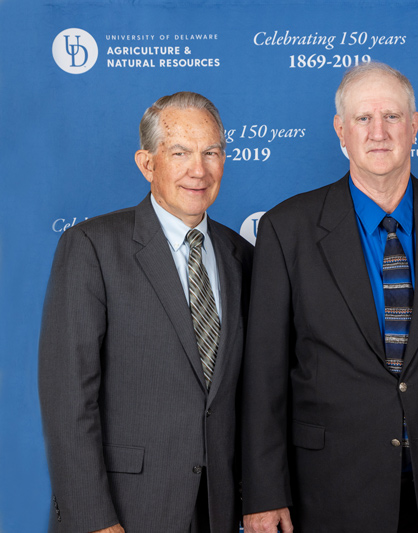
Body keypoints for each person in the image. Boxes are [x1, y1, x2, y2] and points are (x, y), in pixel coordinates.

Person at [241, 62, 418, 533]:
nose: (378, 133)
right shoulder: (287, 229)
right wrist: (264, 492)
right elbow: (264, 376)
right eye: (363, 119)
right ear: (341, 130)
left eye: (392, 117)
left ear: (415, 125)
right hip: (326, 492)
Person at [39, 92, 253, 533]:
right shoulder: (92, 248)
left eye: (211, 152)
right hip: (124, 512)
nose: (200, 169)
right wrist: (93, 521)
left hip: (217, 510)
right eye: (180, 152)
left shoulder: (243, 257)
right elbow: (68, 400)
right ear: (147, 163)